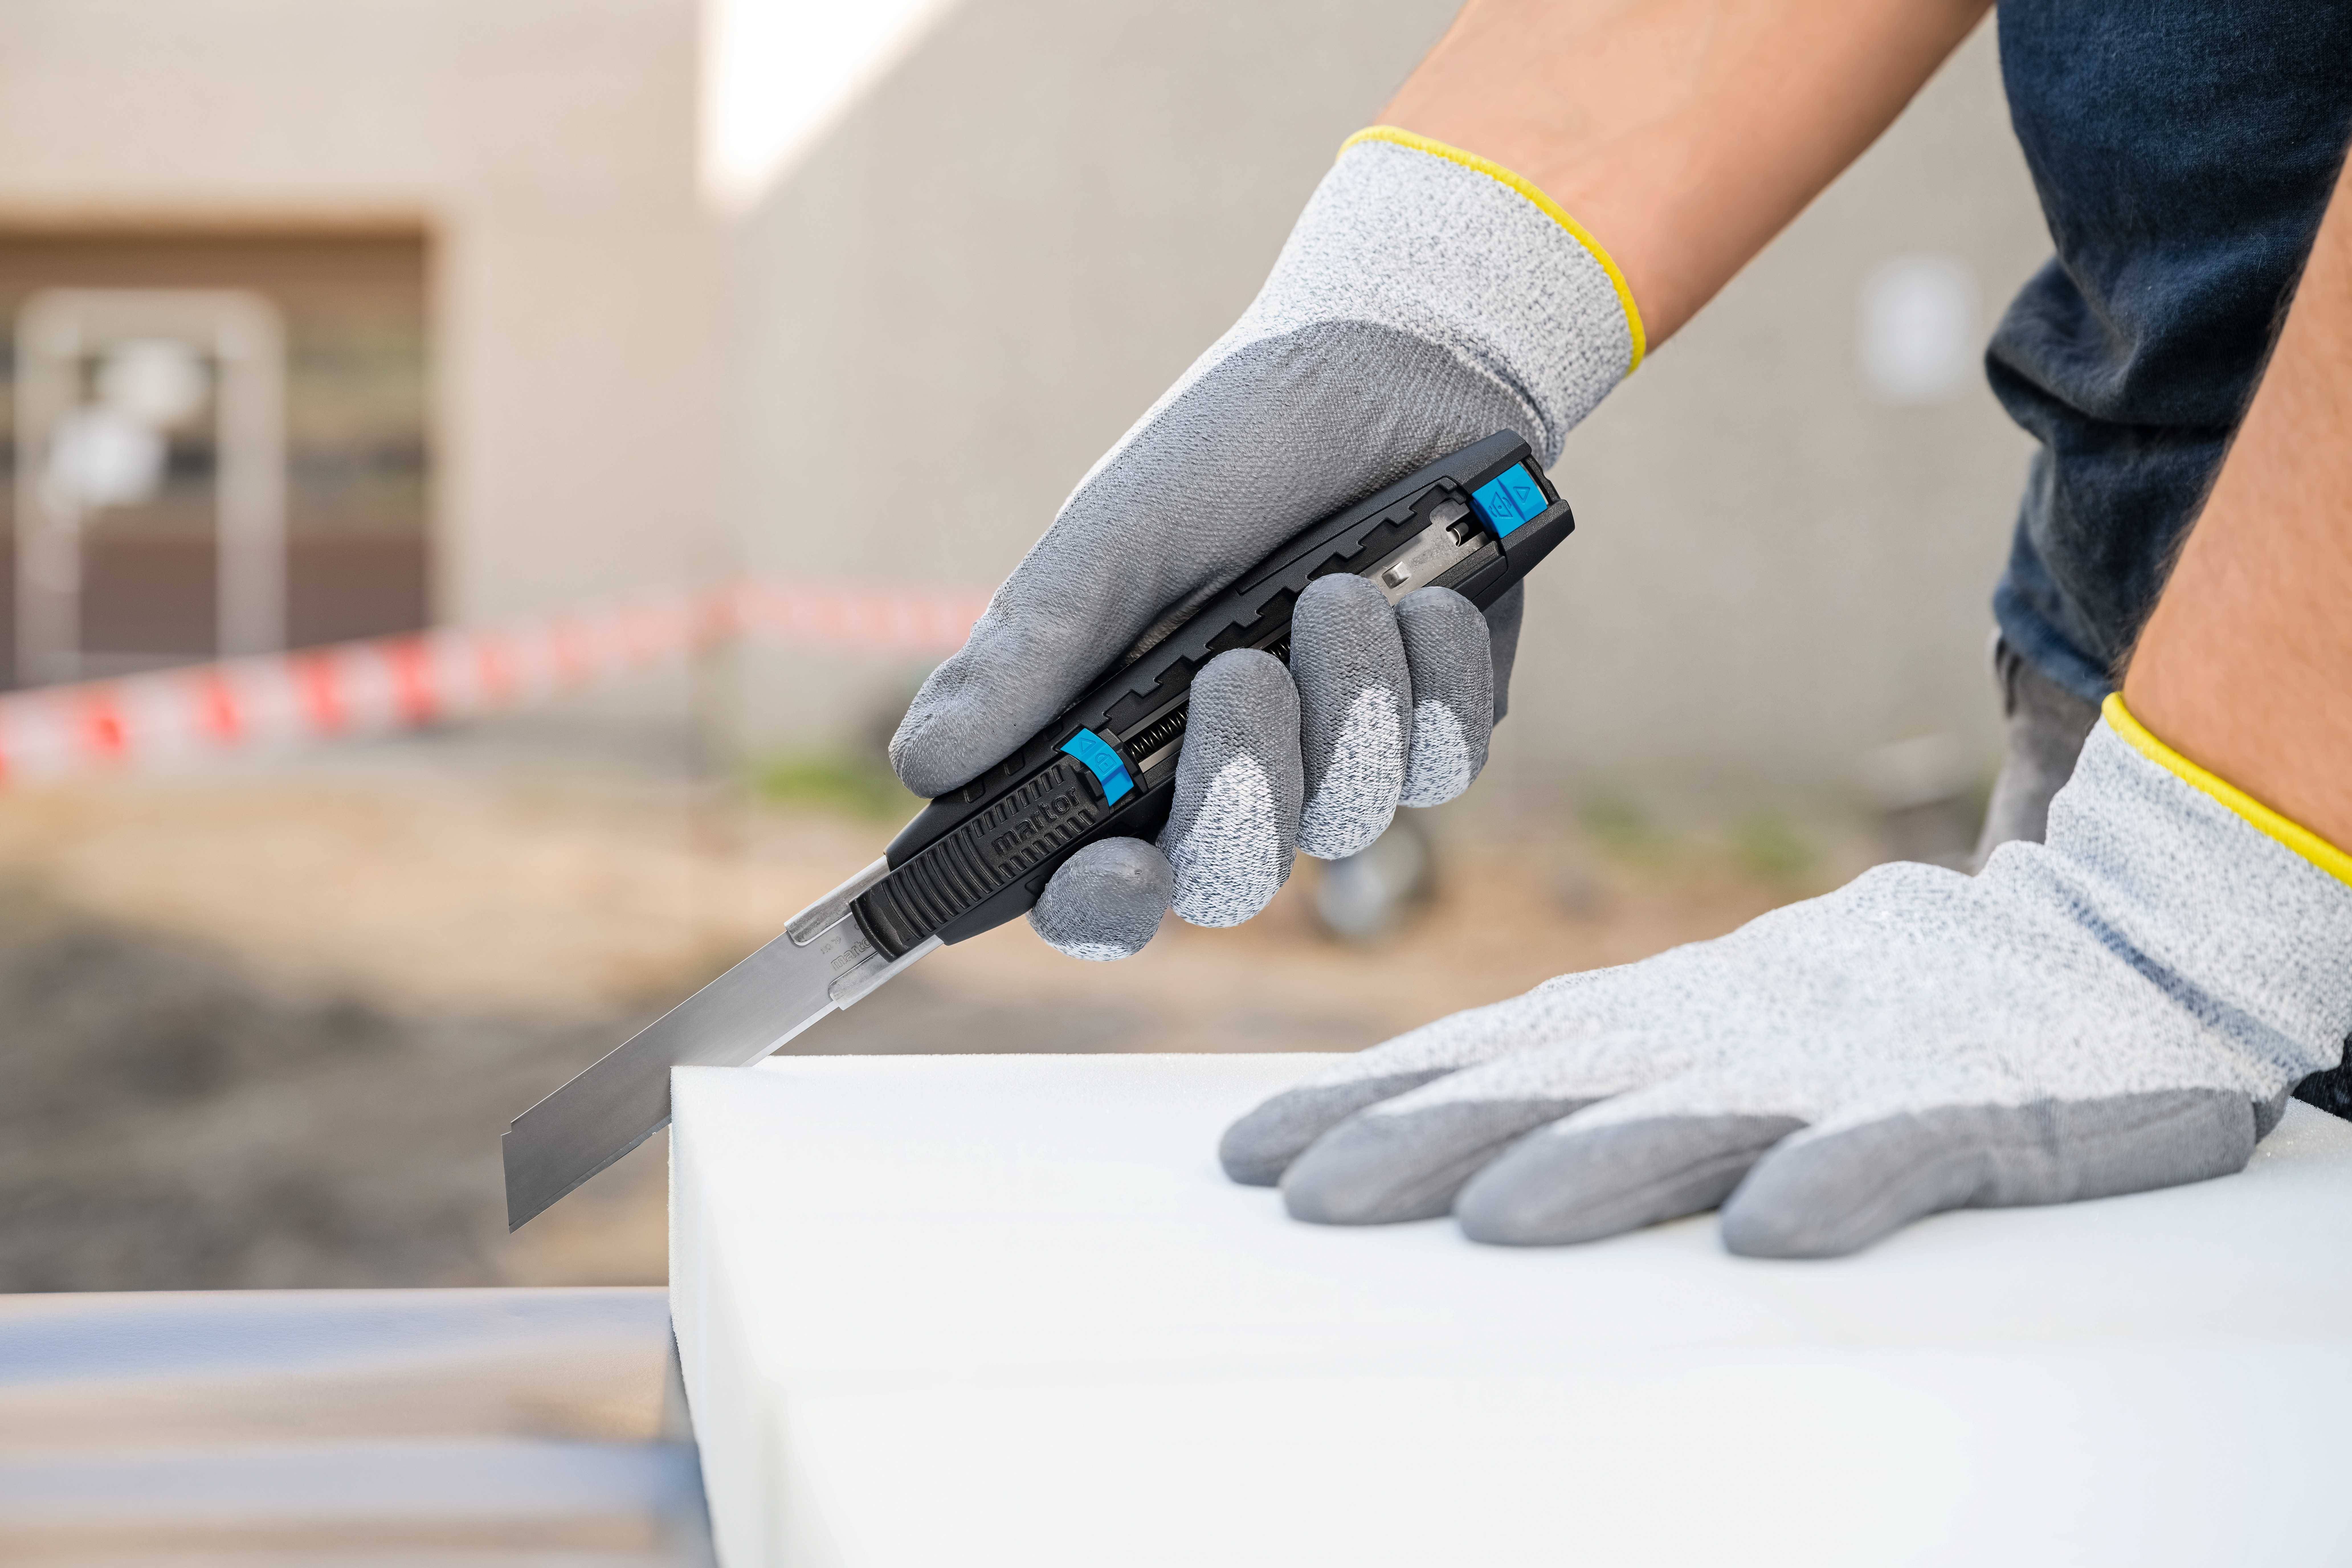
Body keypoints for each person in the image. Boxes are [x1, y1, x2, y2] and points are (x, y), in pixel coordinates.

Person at [889, 0, 2352, 1256]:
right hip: (2125, 770)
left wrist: (2211, 888)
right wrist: (1443, 290)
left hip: (2250, 844)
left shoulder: (2191, 894)